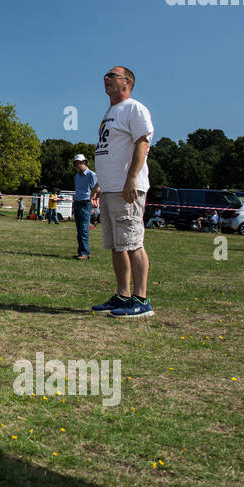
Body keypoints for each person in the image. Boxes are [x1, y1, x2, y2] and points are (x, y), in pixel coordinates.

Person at [89, 65, 155, 317]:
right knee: (117, 245)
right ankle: (123, 295)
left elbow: (142, 143)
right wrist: (100, 184)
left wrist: (131, 178)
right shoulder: (110, 112)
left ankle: (141, 299)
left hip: (127, 188)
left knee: (133, 243)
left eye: (112, 75)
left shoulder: (134, 108)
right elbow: (111, 151)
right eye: (105, 75)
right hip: (110, 188)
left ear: (127, 82)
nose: (105, 78)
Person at [72, 153, 97, 258]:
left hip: (86, 203)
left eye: (80, 163)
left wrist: (94, 206)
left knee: (84, 229)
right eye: (76, 163)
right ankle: (82, 251)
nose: (78, 165)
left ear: (85, 163)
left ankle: (84, 253)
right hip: (77, 202)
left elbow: (96, 190)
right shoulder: (76, 176)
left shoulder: (92, 175)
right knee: (79, 230)